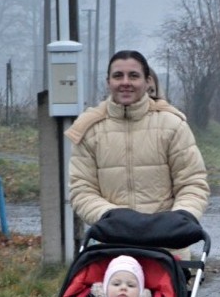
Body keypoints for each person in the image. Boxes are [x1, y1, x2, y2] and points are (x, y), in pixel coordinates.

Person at [65, 50, 209, 258]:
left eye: (133, 76)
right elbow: (81, 189)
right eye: (118, 76)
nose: (125, 82)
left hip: (167, 247)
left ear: (147, 81)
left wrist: (180, 218)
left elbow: (193, 182)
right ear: (108, 82)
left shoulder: (172, 125)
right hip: (111, 246)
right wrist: (111, 217)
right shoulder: (89, 130)